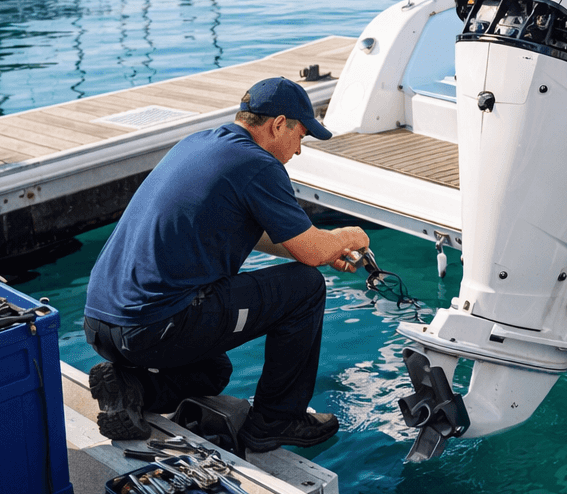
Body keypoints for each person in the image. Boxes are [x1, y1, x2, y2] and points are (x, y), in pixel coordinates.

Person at [82, 76, 370, 453]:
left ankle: (132, 389)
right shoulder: (259, 165)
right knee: (307, 287)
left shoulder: (197, 143)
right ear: (278, 124)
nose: (299, 150)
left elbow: (285, 241)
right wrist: (349, 237)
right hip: (153, 327)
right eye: (301, 135)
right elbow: (312, 255)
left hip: (100, 324)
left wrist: (320, 248)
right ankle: (276, 420)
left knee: (213, 371)